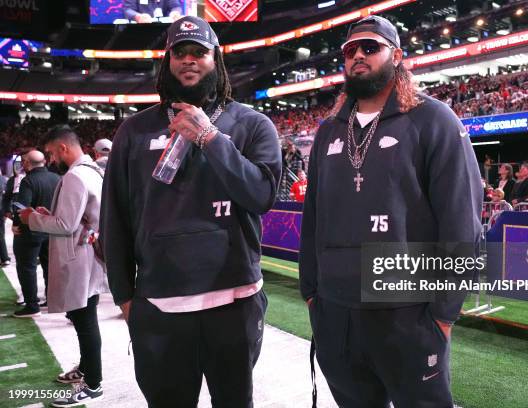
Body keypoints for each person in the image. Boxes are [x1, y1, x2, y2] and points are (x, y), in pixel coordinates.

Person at [299, 15, 482, 408]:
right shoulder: (329, 130)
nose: (358, 56)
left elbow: (461, 222)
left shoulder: (434, 119)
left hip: (408, 314)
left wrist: (443, 315)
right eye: (350, 50)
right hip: (336, 315)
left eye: (370, 47)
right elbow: (312, 219)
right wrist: (312, 294)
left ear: (396, 55)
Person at [100, 16, 281, 408]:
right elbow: (115, 218)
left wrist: (210, 138)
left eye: (198, 52)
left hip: (235, 300)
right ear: (167, 62)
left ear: (215, 59)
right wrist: (124, 295)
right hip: (161, 305)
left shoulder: (253, 124)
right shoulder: (133, 130)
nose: (189, 60)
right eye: (179, 53)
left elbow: (262, 195)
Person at [19, 125, 108, 406]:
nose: (51, 159)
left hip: (79, 256)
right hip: (86, 253)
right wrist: (50, 214)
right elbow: (75, 218)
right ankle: (86, 369)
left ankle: (93, 384)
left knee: (84, 321)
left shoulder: (76, 177)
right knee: (85, 317)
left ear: (63, 148)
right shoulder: (92, 171)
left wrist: (31, 217)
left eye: (51, 153)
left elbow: (65, 225)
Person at [12, 150, 60, 317]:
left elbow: (22, 207)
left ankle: (32, 305)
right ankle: (52, 299)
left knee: (27, 267)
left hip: (31, 231)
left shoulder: (28, 181)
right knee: (50, 267)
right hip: (52, 230)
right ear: (45, 162)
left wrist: (16, 225)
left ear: (26, 163)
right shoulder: (57, 178)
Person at [0, 170, 10, 266]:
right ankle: (5, 258)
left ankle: (4, 258)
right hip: (1, 209)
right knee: (1, 234)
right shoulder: (5, 179)